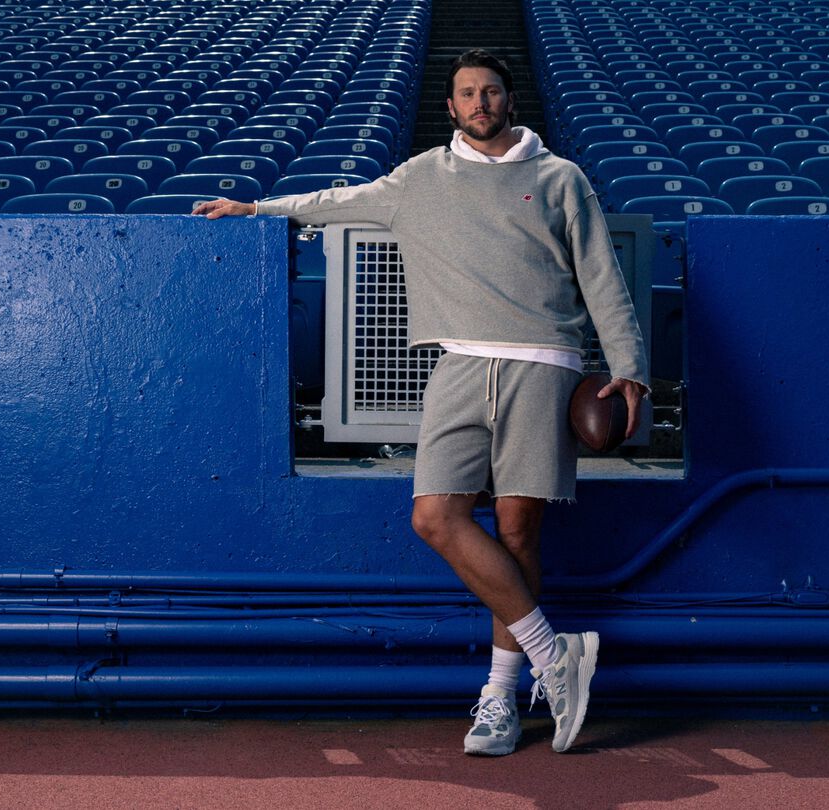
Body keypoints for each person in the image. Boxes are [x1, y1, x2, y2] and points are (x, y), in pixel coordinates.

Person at [197, 49, 648, 756]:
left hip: (543, 362)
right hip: (459, 363)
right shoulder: (421, 179)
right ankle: (554, 654)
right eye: (467, 93)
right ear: (451, 106)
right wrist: (258, 205)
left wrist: (630, 367)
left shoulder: (560, 177)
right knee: (434, 516)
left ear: (508, 99)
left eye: (491, 91)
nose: (480, 103)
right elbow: (340, 200)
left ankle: (500, 697)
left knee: (519, 530)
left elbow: (602, 273)